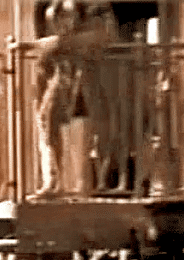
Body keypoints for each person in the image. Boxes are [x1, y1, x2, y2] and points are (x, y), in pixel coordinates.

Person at [33, 0, 116, 198]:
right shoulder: (47, 5)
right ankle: (53, 181)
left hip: (91, 72)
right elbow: (43, 39)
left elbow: (105, 34)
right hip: (59, 72)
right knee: (46, 120)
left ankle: (101, 183)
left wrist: (62, 43)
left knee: (98, 129)